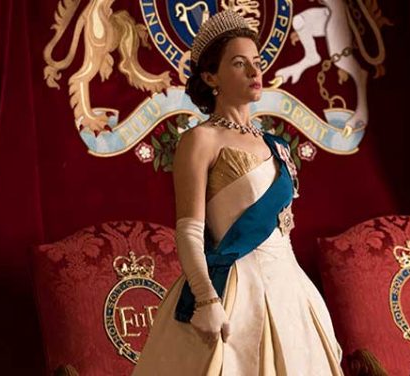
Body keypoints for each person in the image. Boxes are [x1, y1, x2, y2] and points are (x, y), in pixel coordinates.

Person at [132, 10, 344, 375]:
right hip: (233, 293)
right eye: (239, 63)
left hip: (290, 293)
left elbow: (284, 237)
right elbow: (189, 232)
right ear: (211, 76)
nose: (254, 72)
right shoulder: (200, 140)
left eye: (257, 63)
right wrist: (207, 299)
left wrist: (313, 308)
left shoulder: (276, 144)